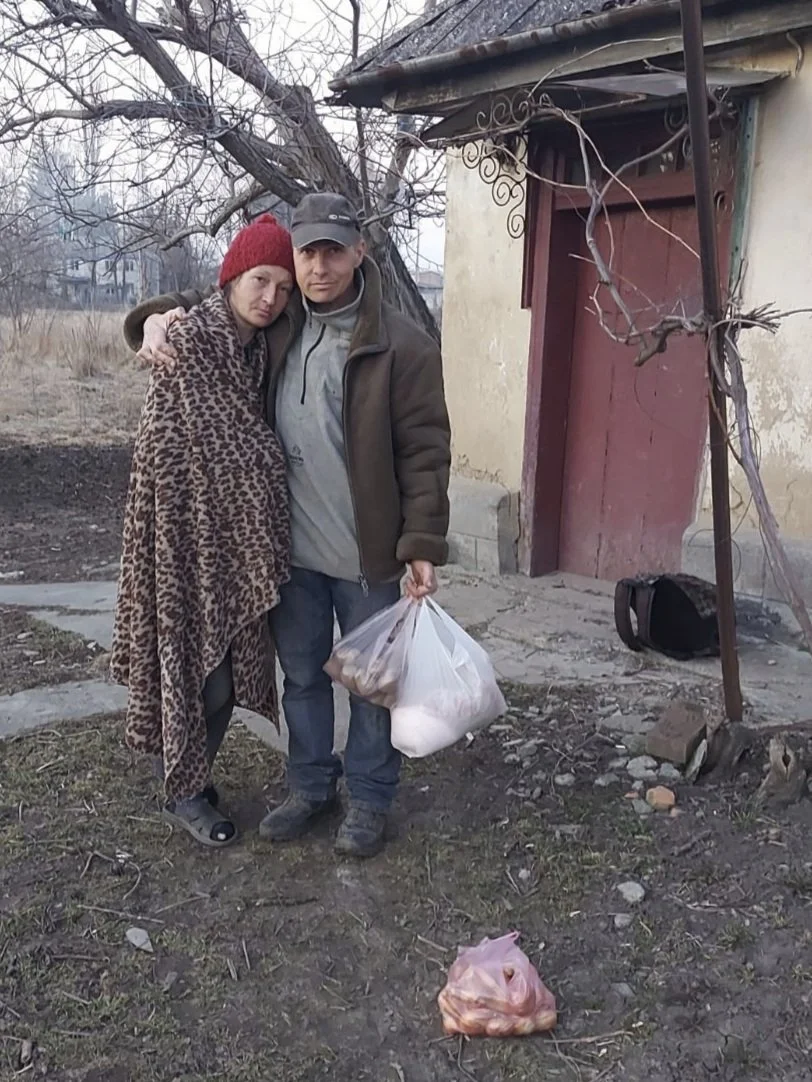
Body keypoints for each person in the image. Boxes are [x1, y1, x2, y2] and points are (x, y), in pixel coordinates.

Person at [124, 192, 451, 858]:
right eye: (308, 253)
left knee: (369, 688)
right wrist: (155, 320)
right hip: (290, 559)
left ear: (360, 252)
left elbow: (425, 450)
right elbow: (210, 303)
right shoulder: (280, 324)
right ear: (294, 257)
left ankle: (367, 798)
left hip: (368, 557)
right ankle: (309, 785)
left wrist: (421, 544)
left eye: (334, 251)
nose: (319, 267)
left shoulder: (403, 345)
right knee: (301, 679)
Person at [111, 214, 295, 849]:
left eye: (282, 286)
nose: (269, 296)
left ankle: (187, 778)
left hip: (232, 546)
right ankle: (184, 791)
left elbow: (242, 444)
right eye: (259, 280)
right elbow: (166, 443)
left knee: (225, 667)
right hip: (184, 541)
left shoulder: (258, 350)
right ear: (233, 277)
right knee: (200, 671)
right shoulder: (189, 340)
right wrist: (156, 320)